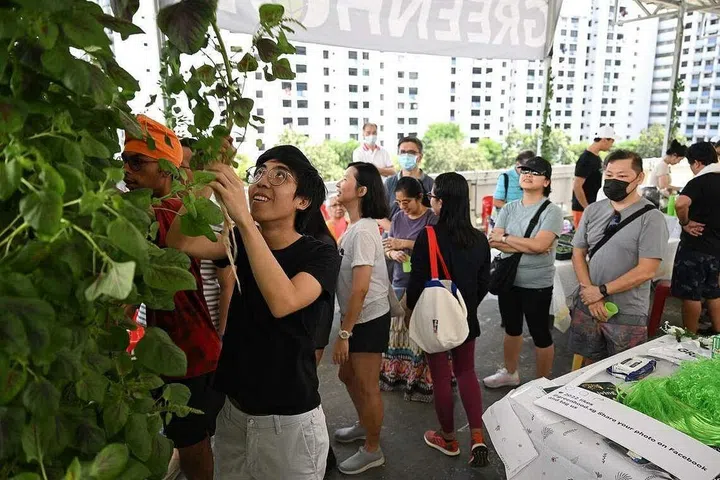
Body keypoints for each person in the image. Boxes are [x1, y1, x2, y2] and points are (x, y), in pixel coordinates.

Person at [166, 145, 341, 479]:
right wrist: (205, 182)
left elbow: (283, 301)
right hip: (233, 414)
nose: (263, 181)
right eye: (259, 172)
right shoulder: (239, 239)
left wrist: (244, 220)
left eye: (279, 176)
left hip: (288, 425)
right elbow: (180, 243)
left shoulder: (321, 254)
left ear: (302, 201)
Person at [122, 116, 223, 480]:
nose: (127, 171)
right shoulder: (148, 211)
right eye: (125, 161)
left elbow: (226, 273)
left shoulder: (176, 212)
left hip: (192, 351)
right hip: (167, 346)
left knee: (193, 443)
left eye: (137, 162)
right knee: (185, 439)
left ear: (167, 169)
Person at [406, 172, 491, 466]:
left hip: (434, 321)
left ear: (440, 202)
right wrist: (465, 308)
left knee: (441, 377)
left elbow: (415, 285)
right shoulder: (480, 239)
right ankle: (478, 438)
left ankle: (449, 438)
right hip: (467, 319)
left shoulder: (427, 237)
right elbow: (484, 284)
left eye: (432, 198)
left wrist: (410, 316)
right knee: (467, 373)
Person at [568, 150, 668, 363]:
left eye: (622, 176)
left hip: (627, 312)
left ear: (639, 177)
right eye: (609, 175)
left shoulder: (652, 218)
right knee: (588, 365)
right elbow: (578, 252)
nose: (614, 181)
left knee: (624, 372)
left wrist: (601, 291)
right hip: (588, 304)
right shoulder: (593, 211)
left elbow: (647, 270)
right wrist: (589, 292)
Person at [483, 157, 564, 388]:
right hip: (509, 279)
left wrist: (507, 239)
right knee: (511, 328)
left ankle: (541, 383)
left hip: (537, 282)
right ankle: (510, 372)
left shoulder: (552, 212)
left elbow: (539, 246)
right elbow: (494, 241)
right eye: (525, 170)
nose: (527, 174)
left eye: (535, 172)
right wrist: (529, 244)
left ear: (547, 181)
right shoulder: (508, 208)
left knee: (540, 333)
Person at [332, 162, 391, 475]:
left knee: (368, 386)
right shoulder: (355, 227)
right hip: (356, 318)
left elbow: (361, 288)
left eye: (346, 179)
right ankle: (364, 423)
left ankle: (373, 448)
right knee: (347, 376)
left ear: (362, 190)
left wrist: (344, 334)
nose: (340, 183)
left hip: (367, 319)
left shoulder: (365, 230)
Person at [379, 177, 437, 403]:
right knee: (398, 332)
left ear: (420, 198)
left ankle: (420, 379)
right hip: (399, 278)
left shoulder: (432, 218)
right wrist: (393, 253)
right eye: (399, 202)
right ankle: (397, 375)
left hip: (424, 282)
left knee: (420, 333)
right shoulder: (397, 217)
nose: (402, 206)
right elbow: (387, 245)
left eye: (407, 202)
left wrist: (402, 243)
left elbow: (433, 246)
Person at [179, 138, 234, 337]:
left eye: (183, 166)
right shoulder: (160, 207)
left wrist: (222, 336)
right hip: (155, 324)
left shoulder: (216, 214)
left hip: (202, 324)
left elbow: (227, 286)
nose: (176, 172)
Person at [299, 208, 340, 476]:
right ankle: (324, 456)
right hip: (309, 332)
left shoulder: (321, 245)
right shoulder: (308, 240)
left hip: (312, 333)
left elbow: (323, 305)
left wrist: (318, 341)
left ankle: (324, 456)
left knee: (306, 393)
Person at [671, 142, 720, 334]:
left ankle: (690, 336)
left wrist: (685, 222)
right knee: (714, 293)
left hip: (695, 247)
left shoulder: (700, 181)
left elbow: (681, 203)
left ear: (697, 163)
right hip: (717, 249)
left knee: (691, 295)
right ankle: (718, 336)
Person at [381, 137, 434, 231]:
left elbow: (436, 215)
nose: (406, 156)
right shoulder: (389, 183)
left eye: (411, 152)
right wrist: (395, 231)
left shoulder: (430, 184)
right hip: (392, 239)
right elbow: (378, 214)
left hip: (420, 240)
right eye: (403, 152)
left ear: (420, 157)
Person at [572, 126, 616, 228]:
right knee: (582, 240)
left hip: (592, 206)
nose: (612, 145)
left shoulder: (595, 157)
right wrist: (586, 207)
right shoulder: (586, 159)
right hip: (583, 208)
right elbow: (577, 186)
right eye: (612, 141)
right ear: (605, 140)